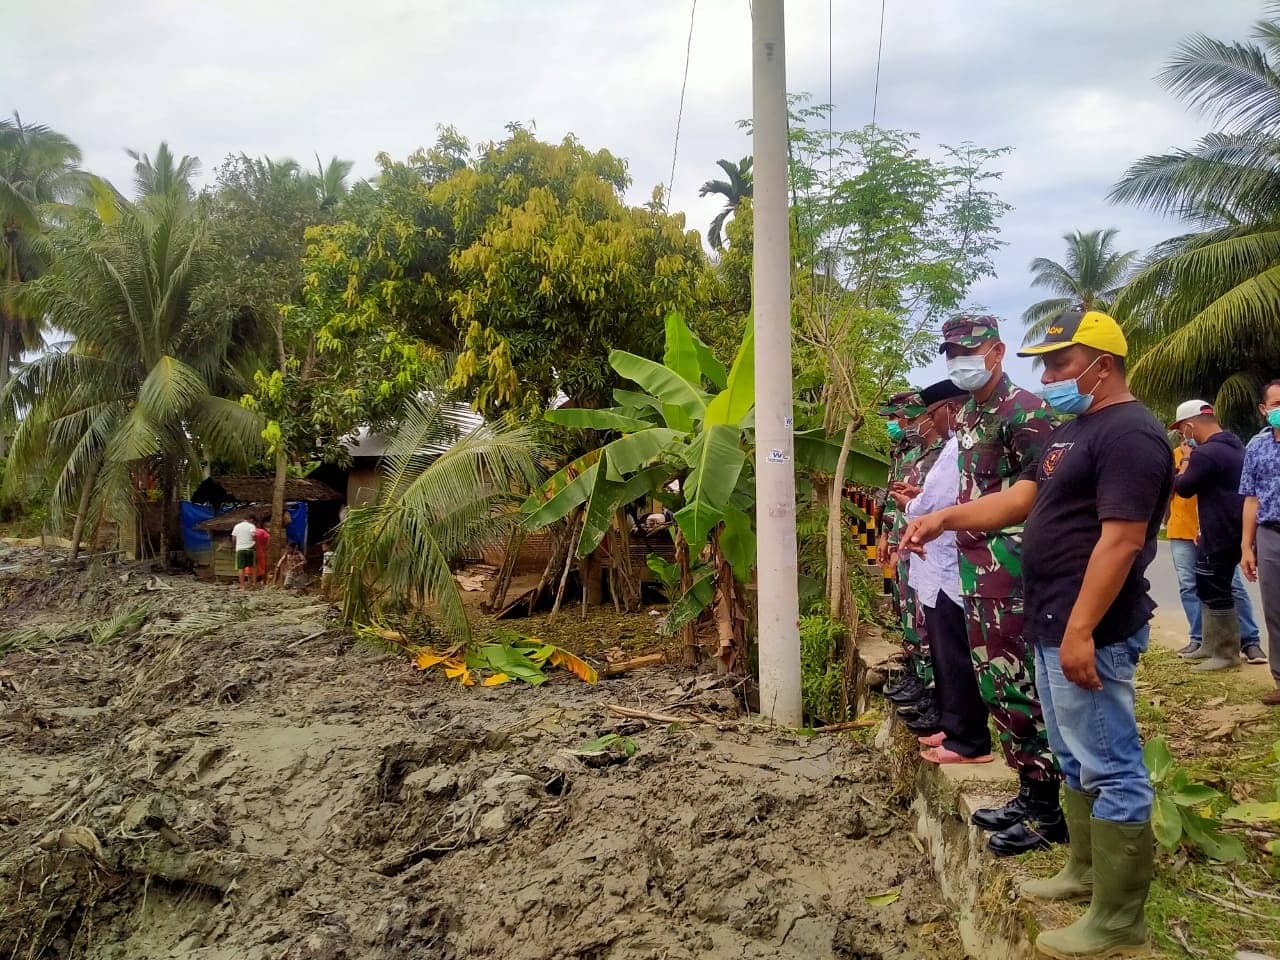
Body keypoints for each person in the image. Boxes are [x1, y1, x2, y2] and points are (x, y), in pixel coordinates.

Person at [904, 307, 1170, 959]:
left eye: (1059, 363)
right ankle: (1084, 870)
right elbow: (1024, 499)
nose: (1047, 375)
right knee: (1077, 756)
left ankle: (1118, 919)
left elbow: (1121, 541)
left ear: (1102, 366)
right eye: (1044, 363)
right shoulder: (1076, 432)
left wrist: (1081, 629)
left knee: (1111, 767)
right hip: (1050, 614)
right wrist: (947, 518)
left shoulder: (1131, 436)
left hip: (1091, 625)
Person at [939, 314, 1064, 856]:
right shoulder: (969, 414)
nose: (958, 360)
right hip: (975, 567)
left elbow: (1037, 496)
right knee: (995, 684)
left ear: (997, 351)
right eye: (950, 351)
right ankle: (1026, 791)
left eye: (967, 350)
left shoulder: (1028, 413)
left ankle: (1048, 809)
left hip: (1012, 569)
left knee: (1020, 686)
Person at [898, 379, 991, 764]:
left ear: (951, 408)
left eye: (933, 414)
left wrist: (913, 507)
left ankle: (969, 739)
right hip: (935, 565)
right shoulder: (955, 446)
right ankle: (953, 728)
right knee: (943, 648)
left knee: (955, 652)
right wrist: (917, 501)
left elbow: (940, 504)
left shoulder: (960, 447)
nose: (929, 423)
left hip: (950, 565)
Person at [1169, 402, 1259, 669]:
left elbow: (1182, 487)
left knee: (1215, 587)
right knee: (1211, 584)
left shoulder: (1206, 453)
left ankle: (1225, 653)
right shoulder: (1235, 445)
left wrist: (1185, 459)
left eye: (1182, 430)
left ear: (1190, 425)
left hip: (1219, 529)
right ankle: (1211, 645)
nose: (1184, 436)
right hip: (1231, 526)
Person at [878, 392, 939, 716]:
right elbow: (894, 497)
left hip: (927, 547)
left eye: (900, 418)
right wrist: (887, 534)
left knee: (925, 619)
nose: (895, 424)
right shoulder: (906, 453)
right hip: (906, 542)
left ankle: (931, 687)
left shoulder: (938, 453)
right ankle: (917, 674)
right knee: (908, 613)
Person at [1241, 379, 1280, 706]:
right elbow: (1251, 499)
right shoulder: (1256, 447)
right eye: (1277, 405)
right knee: (1275, 610)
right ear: (1264, 410)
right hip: (1271, 535)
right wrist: (1246, 547)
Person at [231, 514, 259, 591]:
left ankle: (242, 587)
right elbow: (254, 536)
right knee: (253, 567)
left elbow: (233, 538)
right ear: (251, 519)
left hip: (240, 549)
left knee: (241, 568)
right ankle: (254, 585)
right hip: (250, 549)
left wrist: (235, 546)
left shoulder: (236, 526)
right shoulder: (252, 526)